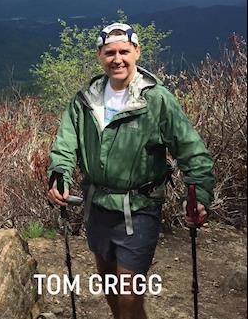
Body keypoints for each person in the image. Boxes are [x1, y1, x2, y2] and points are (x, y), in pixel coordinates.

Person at [47, 22, 214, 319]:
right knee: (110, 286)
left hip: (139, 207)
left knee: (129, 296)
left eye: (124, 51)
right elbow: (65, 143)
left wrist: (198, 192)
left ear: (137, 52)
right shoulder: (85, 100)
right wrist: (59, 173)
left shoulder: (156, 99)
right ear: (100, 55)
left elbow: (191, 149)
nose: (117, 59)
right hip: (97, 205)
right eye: (110, 52)